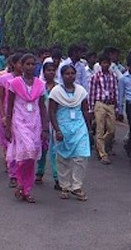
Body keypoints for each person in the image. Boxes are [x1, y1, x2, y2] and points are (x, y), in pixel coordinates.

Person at [5, 53, 48, 203]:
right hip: (19, 121)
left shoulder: (40, 84)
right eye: (27, 64)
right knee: (25, 153)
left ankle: (26, 189)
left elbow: (42, 107)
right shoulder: (15, 83)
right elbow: (9, 106)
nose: (30, 67)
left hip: (35, 122)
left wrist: (45, 128)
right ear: (21, 66)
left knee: (31, 156)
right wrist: (8, 126)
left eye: (33, 64)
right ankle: (20, 183)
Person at [49, 64, 92, 201]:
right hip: (63, 127)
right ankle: (65, 186)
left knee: (81, 156)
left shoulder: (81, 91)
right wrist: (57, 130)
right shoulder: (56, 92)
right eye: (67, 74)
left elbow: (85, 109)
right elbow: (52, 112)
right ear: (62, 76)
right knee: (63, 158)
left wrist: (88, 127)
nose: (70, 76)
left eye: (72, 73)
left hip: (79, 126)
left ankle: (77, 186)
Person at [0, 53, 24, 187]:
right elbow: (0, 99)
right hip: (8, 113)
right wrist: (3, 116)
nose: (23, 67)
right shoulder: (4, 79)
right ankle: (13, 174)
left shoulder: (28, 80)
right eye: (21, 63)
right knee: (9, 145)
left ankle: (22, 172)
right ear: (13, 64)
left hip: (23, 116)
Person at [88, 54, 122, 164]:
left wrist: (117, 107)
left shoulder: (113, 76)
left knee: (111, 130)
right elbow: (91, 93)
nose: (106, 65)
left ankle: (99, 145)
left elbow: (116, 91)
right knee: (100, 128)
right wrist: (91, 108)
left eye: (108, 63)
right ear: (100, 64)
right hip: (100, 103)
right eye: (104, 63)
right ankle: (103, 154)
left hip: (110, 104)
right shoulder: (95, 76)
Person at [35, 56, 61, 190]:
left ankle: (57, 178)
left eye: (53, 70)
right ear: (44, 72)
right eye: (48, 70)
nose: (51, 72)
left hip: (55, 121)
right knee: (42, 148)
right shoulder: (39, 86)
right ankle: (39, 172)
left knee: (55, 150)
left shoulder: (59, 88)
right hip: (40, 121)